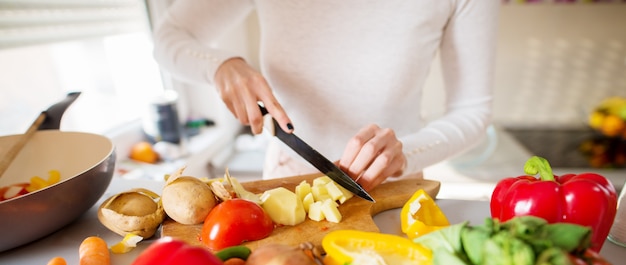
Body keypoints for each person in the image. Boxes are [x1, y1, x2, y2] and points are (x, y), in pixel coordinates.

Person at [152, 1, 500, 191]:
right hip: (283, 186)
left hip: (392, 188)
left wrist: (405, 153)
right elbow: (169, 36)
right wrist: (220, 65)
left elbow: (472, 111)